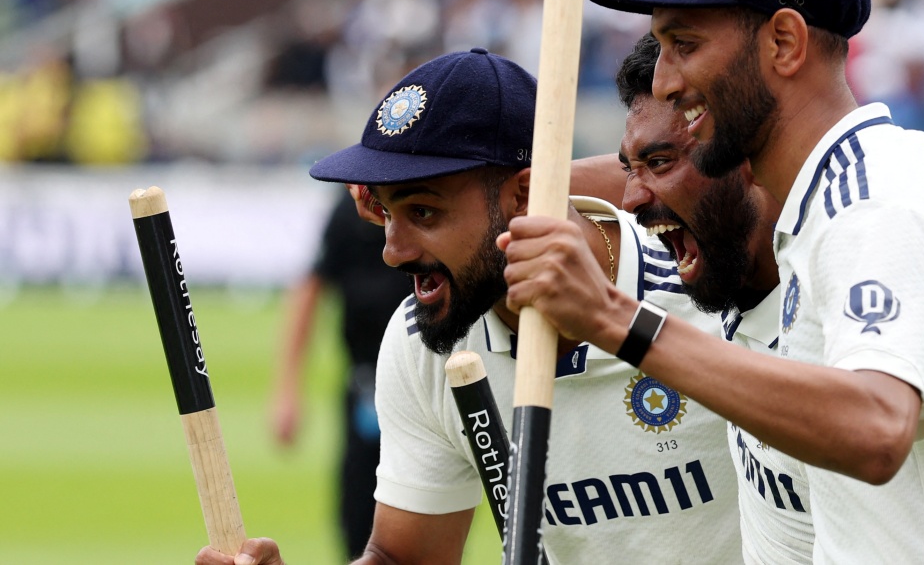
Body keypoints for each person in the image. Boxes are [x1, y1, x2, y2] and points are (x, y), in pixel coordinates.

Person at [499, 0, 924, 563]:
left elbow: (876, 427)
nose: (664, 80)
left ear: (783, 42)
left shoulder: (872, 203)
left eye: (685, 44)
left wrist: (612, 317)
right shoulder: (891, 181)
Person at [196, 48, 742, 565]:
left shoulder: (708, 288)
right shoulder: (422, 341)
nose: (394, 252)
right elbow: (405, 557)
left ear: (526, 197)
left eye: (425, 213)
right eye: (386, 213)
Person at [612, 32, 924, 563]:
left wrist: (621, 325)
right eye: (632, 166)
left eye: (659, 160)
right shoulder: (753, 257)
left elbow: (880, 426)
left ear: (737, 149)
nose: (632, 198)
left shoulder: (866, 224)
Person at [271, 188, 414, 560]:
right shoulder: (346, 214)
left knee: (424, 525)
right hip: (365, 389)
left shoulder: (433, 202)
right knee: (357, 522)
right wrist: (287, 391)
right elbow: (311, 288)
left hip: (425, 390)